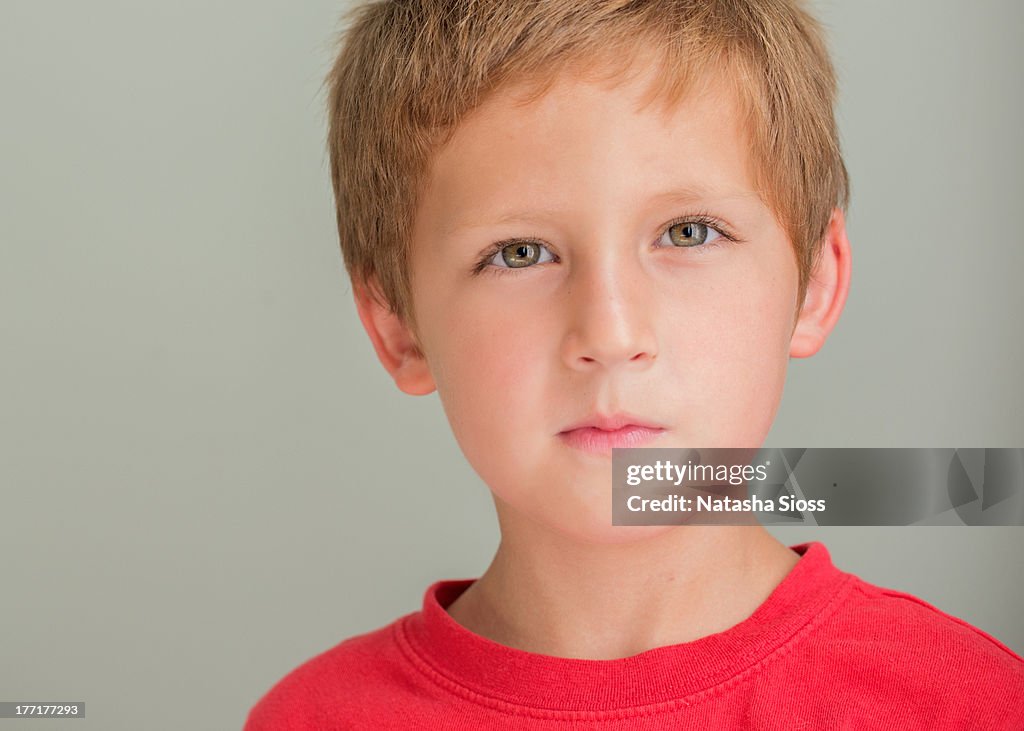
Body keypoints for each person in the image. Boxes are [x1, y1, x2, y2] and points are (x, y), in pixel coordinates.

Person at [244, 1, 1024, 727]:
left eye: (689, 233)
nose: (611, 332)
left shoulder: (966, 704)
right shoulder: (316, 716)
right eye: (520, 253)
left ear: (815, 281)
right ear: (398, 328)